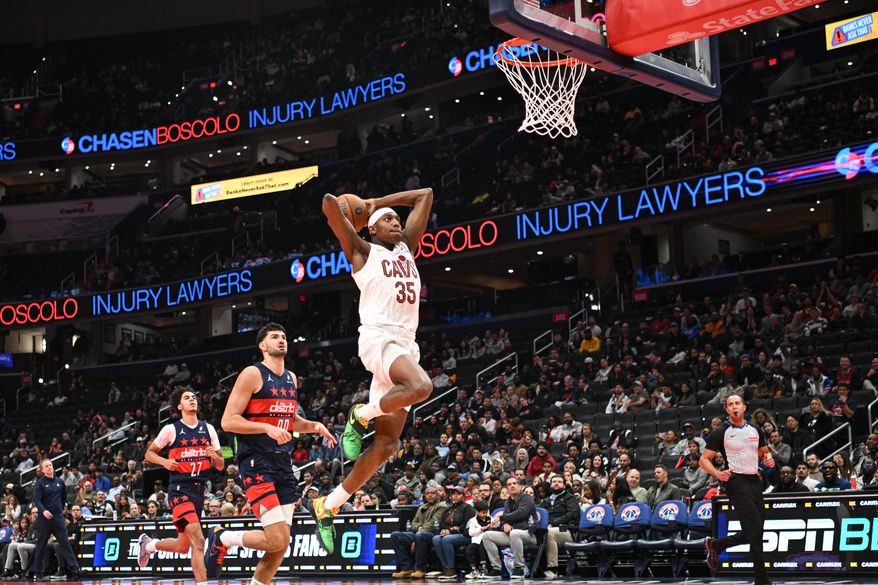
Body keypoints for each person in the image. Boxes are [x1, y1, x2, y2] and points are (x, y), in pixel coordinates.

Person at [309, 188, 434, 553]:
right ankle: (360, 413)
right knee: (422, 385)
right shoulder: (363, 252)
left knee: (385, 446)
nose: (397, 222)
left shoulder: (406, 249)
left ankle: (327, 505)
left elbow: (425, 195)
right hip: (379, 339)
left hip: (405, 344)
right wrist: (365, 209)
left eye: (399, 219)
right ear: (372, 230)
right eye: (388, 221)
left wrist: (380, 204)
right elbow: (329, 204)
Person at [206, 323, 335, 584]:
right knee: (276, 538)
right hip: (256, 462)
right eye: (274, 337)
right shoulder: (252, 374)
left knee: (280, 546)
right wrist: (267, 427)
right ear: (262, 346)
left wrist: (313, 426)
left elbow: (288, 420)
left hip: (282, 463)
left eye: (284, 336)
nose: (281, 340)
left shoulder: (291, 378)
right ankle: (221, 537)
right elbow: (228, 421)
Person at [138, 387, 224, 585]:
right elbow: (149, 453)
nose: (192, 400)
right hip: (179, 490)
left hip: (199, 490)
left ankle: (149, 545)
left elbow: (221, 466)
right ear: (179, 406)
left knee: (183, 546)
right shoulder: (171, 429)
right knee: (200, 541)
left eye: (194, 397)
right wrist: (165, 462)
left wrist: (215, 457)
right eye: (187, 398)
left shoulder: (208, 429)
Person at [702, 395, 775, 585]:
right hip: (736, 482)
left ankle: (716, 545)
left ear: (744, 407)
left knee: (756, 531)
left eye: (737, 403)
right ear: (727, 410)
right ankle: (762, 581)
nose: (734, 407)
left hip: (755, 482)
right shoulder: (721, 432)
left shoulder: (755, 430)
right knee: (755, 530)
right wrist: (718, 474)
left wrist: (767, 460)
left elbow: (763, 453)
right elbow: (703, 459)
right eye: (730, 405)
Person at [26, 459, 81, 580]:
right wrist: (43, 511)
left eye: (50, 465)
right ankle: (37, 571)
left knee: (64, 543)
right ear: (42, 470)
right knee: (41, 545)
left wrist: (60, 511)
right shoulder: (40, 483)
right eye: (46, 466)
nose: (49, 467)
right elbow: (37, 500)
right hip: (44, 519)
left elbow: (63, 498)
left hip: (58, 518)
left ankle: (75, 568)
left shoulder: (60, 482)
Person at [482, 477, 536, 579]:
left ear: (520, 486)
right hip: (512, 535)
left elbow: (521, 514)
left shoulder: (527, 498)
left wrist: (502, 518)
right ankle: (496, 568)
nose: (512, 486)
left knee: (514, 533)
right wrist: (504, 525)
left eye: (514, 483)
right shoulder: (508, 502)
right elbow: (504, 521)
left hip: (529, 534)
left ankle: (519, 568)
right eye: (509, 484)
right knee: (487, 535)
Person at [390, 485, 447, 579]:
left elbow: (433, 524)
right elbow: (413, 523)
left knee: (420, 536)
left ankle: (420, 569)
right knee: (395, 535)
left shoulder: (441, 506)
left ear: (437, 495)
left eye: (432, 493)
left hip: (434, 535)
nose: (430, 495)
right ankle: (406, 568)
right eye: (427, 493)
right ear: (424, 495)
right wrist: (418, 529)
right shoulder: (422, 507)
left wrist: (418, 533)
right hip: (419, 533)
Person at [433, 485, 475, 580]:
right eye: (453, 494)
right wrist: (445, 529)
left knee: (447, 539)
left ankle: (451, 569)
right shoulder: (449, 509)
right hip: (452, 534)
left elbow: (468, 525)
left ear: (463, 496)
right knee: (436, 539)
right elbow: (442, 523)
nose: (455, 496)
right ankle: (445, 567)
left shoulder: (467, 508)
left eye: (458, 494)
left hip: (465, 535)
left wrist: (452, 530)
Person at [543, 474, 581, 579]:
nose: (556, 483)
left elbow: (573, 513)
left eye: (559, 482)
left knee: (550, 532)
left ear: (564, 485)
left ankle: (553, 568)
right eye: (554, 481)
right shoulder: (545, 501)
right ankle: (536, 568)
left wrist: (554, 522)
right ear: (550, 485)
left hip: (565, 530)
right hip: (547, 528)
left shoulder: (570, 498)